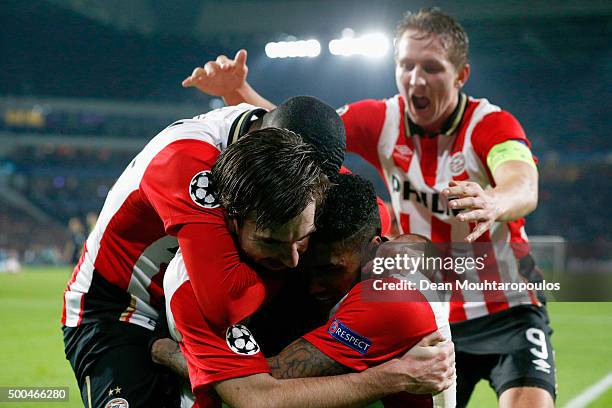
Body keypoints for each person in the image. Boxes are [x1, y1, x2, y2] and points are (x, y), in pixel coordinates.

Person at [182, 7, 555, 408]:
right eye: (406, 65)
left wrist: (493, 200)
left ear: (460, 76)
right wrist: (238, 92)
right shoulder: (381, 118)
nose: (416, 79)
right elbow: (304, 137)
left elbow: (524, 184)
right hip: (436, 308)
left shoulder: (490, 124)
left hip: (507, 307)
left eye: (431, 68)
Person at [62, 97, 344, 408]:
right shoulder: (187, 159)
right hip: (120, 310)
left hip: (187, 296)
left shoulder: (294, 155)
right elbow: (224, 300)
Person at [158, 173, 456, 407]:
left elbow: (258, 383)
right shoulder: (387, 250)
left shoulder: (389, 301)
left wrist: (163, 351)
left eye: (330, 270)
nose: (314, 286)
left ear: (372, 251)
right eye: (305, 267)